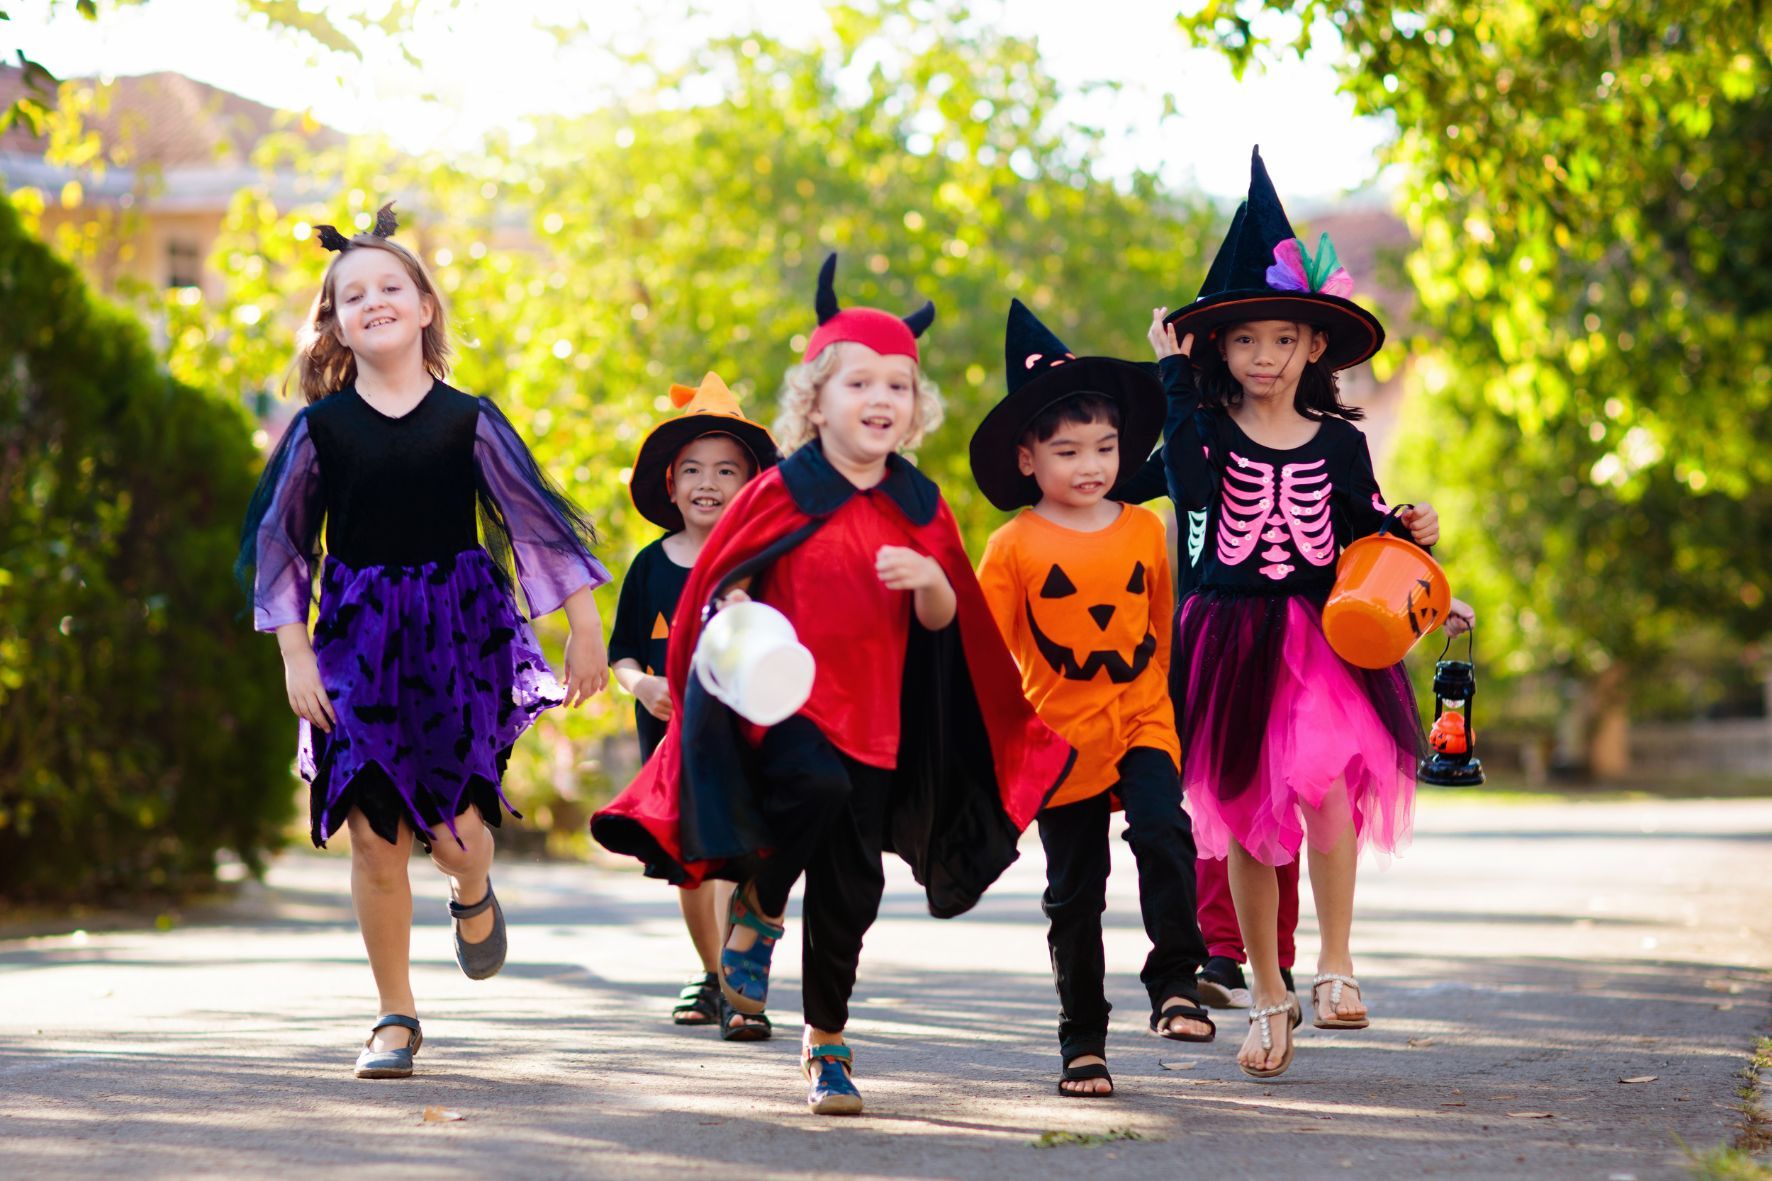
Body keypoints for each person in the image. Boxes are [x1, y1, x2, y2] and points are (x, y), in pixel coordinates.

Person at [592, 254, 1073, 1115]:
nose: (881, 398)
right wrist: (735, 603)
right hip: (786, 707)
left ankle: (827, 1041)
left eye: (898, 384)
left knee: (855, 887)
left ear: (915, 406)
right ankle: (762, 900)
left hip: (880, 720)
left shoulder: (920, 503)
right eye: (860, 382)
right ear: (816, 401)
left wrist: (930, 581)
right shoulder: (780, 489)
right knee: (813, 785)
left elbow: (948, 624)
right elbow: (724, 584)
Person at [237, 202, 608, 1079]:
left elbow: (535, 524)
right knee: (375, 836)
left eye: (391, 286)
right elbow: (282, 545)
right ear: (335, 325)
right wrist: (294, 653)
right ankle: (394, 1015)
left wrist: (585, 626)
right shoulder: (320, 431)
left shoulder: (467, 419)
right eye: (353, 294)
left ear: (425, 305)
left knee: (455, 837)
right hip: (357, 645)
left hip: (458, 640)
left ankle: (471, 887)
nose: (374, 300)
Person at [1152, 149, 1469, 1078]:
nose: (1263, 357)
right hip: (1229, 637)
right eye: (1244, 341)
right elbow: (1184, 483)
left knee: (1328, 789)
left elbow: (1364, 534)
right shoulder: (1206, 432)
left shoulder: (1339, 440)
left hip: (1319, 638)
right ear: (1219, 349)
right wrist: (1173, 377)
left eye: (1282, 339)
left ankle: (1335, 960)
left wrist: (1417, 546)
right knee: (1247, 819)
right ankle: (1266, 988)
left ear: (1313, 346)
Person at [971, 300, 1212, 1099]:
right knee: (1076, 893)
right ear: (1028, 458)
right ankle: (1083, 1040)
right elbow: (983, 656)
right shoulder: (1012, 546)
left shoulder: (1144, 529)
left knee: (1164, 830)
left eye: (1106, 447)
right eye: (1068, 450)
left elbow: (1160, 631)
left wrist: (1169, 716)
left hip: (1142, 716)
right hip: (1059, 737)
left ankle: (1176, 978)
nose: (1091, 464)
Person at [607, 371, 779, 1040]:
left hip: (743, 736)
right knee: (689, 864)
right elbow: (624, 652)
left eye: (726, 470)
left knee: (740, 854)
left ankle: (739, 983)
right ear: (671, 485)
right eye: (694, 470)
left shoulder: (762, 563)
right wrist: (641, 686)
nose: (708, 483)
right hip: (669, 739)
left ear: (751, 485)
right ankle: (710, 971)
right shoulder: (651, 566)